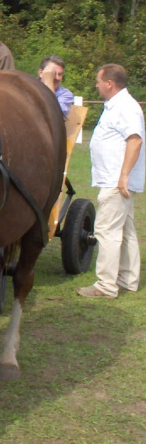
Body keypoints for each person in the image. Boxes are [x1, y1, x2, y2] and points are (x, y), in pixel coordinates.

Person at [77, 64, 145, 299]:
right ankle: (128, 279)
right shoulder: (117, 106)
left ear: (110, 83)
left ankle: (106, 286)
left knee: (106, 230)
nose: (96, 85)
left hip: (117, 181)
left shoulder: (125, 107)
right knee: (124, 230)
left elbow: (135, 140)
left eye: (98, 81)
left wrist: (123, 174)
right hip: (116, 179)